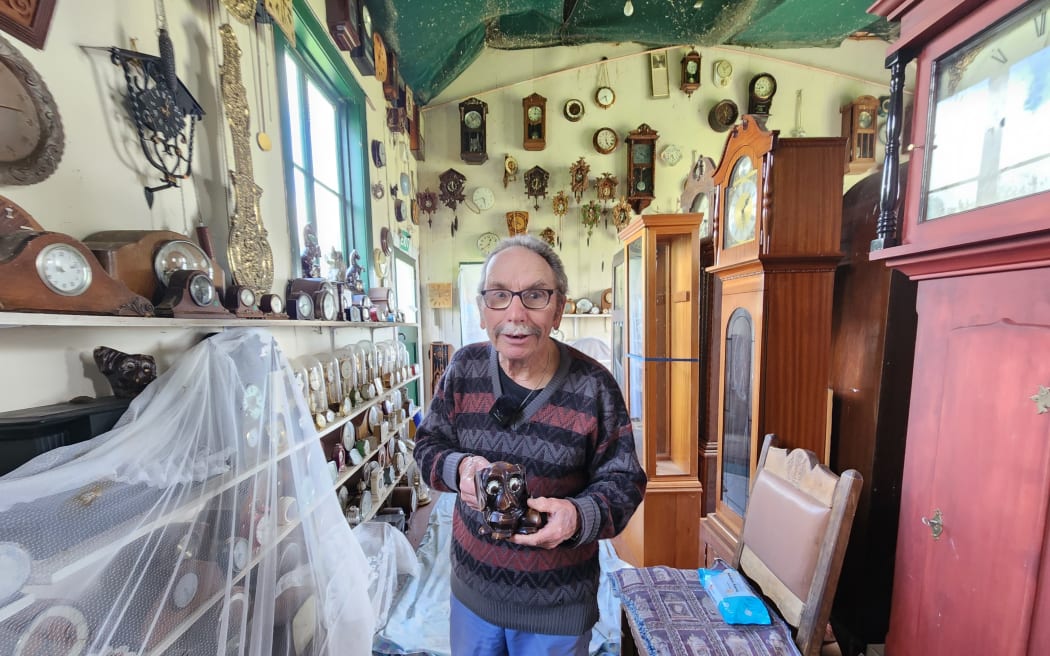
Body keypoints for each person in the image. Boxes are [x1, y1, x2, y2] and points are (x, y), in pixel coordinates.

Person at [413, 235, 646, 656]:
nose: (516, 313)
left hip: (556, 609)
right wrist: (458, 469)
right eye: (499, 295)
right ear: (483, 309)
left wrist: (578, 516)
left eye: (535, 295)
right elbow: (428, 444)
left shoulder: (595, 387)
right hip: (473, 597)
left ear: (558, 308)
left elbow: (625, 482)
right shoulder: (463, 370)